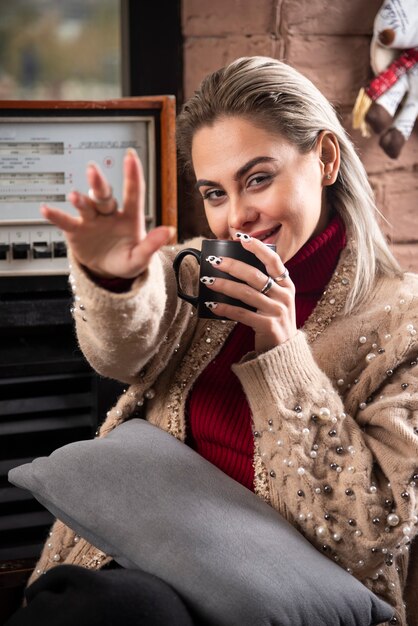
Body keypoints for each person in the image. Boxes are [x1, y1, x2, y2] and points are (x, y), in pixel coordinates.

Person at [10, 56, 418, 625]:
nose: (237, 219)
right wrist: (116, 280)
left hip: (282, 603)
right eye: (214, 193)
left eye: (257, 179)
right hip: (134, 562)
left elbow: (371, 536)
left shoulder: (405, 320)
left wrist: (280, 349)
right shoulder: (196, 272)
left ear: (325, 158)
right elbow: (120, 353)